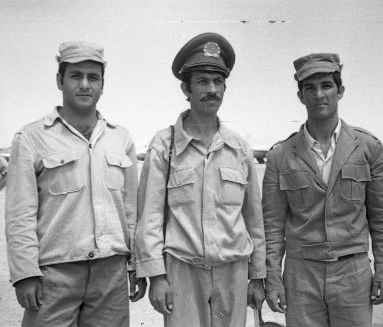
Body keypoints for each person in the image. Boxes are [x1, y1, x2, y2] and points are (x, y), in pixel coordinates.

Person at [5, 41, 146, 327]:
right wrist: (25, 273)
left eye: (93, 77)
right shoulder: (31, 138)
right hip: (54, 275)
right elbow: (20, 214)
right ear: (60, 80)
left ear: (103, 85)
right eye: (75, 75)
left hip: (111, 275)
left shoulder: (122, 140)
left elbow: (132, 214)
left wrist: (136, 265)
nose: (84, 84)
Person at [134, 32, 266, 327]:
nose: (212, 90)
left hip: (233, 271)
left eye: (218, 82)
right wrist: (156, 276)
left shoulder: (239, 148)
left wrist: (257, 277)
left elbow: (254, 220)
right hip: (183, 272)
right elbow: (150, 218)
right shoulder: (164, 145)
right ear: (186, 87)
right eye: (203, 81)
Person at [262, 53, 383, 327]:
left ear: (340, 91)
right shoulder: (280, 156)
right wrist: (273, 277)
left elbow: (382, 218)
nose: (318, 94)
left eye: (326, 85)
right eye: (309, 88)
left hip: (353, 273)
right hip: (301, 276)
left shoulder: (368, 148)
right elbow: (272, 226)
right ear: (300, 96)